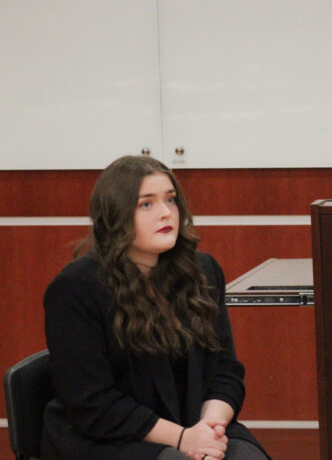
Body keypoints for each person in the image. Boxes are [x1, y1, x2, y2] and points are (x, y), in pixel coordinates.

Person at [42, 156, 271, 460]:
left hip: (194, 422)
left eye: (171, 200)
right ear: (115, 215)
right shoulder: (75, 288)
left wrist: (209, 427)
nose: (166, 213)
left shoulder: (203, 271)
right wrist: (182, 438)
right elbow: (92, 404)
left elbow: (225, 370)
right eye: (146, 204)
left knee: (246, 457)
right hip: (109, 438)